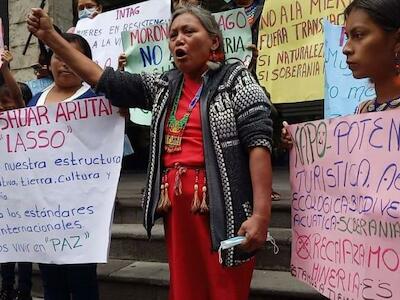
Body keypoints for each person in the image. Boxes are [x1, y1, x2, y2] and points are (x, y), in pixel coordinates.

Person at [27, 4, 273, 300]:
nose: (178, 39)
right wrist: (51, 37)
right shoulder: (165, 86)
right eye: (173, 35)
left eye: (188, 31)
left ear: (214, 41)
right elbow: (106, 80)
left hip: (224, 210)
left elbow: (258, 144)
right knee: (185, 291)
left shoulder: (237, 79)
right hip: (178, 216)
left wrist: (261, 215)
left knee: (224, 291)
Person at [27, 33, 100, 300]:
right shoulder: (35, 102)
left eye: (73, 56)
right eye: (59, 55)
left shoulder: (97, 98)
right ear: (50, 61)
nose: (65, 63)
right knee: (51, 282)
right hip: (44, 212)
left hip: (82, 214)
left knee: (82, 283)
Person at [282, 0, 400, 141]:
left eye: (359, 35)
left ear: (396, 40)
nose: (346, 48)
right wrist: (299, 146)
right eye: (347, 37)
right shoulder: (362, 111)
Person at [0, 48, 30, 300]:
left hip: (26, 197)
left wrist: (4, 70)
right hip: (4, 199)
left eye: (7, 102)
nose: (3, 107)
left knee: (26, 249)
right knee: (6, 249)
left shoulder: (24, 125)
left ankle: (25, 290)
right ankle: (7, 288)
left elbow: (18, 99)